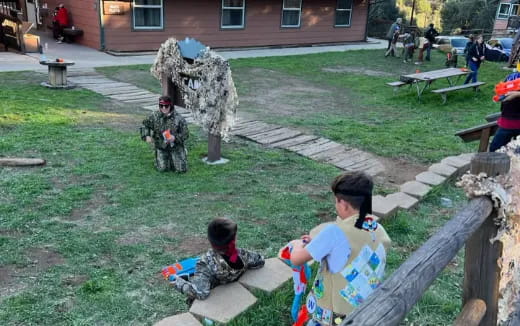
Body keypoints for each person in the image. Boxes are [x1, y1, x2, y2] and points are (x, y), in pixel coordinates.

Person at [287, 172, 392, 325]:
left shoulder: (334, 233)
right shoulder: (377, 228)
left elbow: (296, 259)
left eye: (336, 201)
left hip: (333, 317)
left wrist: (297, 244)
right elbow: (352, 246)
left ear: (343, 204)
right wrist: (318, 243)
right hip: (365, 308)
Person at [172, 218, 265, 301]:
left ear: (210, 240)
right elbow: (260, 260)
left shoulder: (204, 264)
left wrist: (178, 282)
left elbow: (201, 293)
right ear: (233, 240)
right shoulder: (244, 255)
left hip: (216, 291)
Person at [141, 96, 189, 172]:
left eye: (166, 106)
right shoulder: (154, 116)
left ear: (170, 105)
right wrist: (146, 135)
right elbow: (145, 125)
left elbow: (185, 134)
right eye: (161, 106)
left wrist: (175, 138)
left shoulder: (179, 118)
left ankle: (181, 154)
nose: (164, 108)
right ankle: (160, 158)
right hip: (161, 146)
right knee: (162, 169)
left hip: (175, 147)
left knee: (181, 170)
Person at [489, 71, 520, 152]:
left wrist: (517, 94)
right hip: (507, 122)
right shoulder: (512, 76)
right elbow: (502, 91)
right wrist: (500, 94)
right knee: (494, 150)